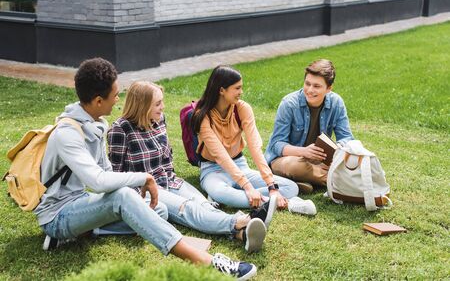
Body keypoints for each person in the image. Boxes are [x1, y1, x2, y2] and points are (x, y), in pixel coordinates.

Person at [35, 58, 257, 280]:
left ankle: (87, 230)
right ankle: (207, 262)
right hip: (58, 215)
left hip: (80, 203)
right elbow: (98, 181)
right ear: (98, 100)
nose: (118, 99)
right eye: (115, 94)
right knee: (123, 197)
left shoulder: (95, 124)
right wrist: (144, 178)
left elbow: (107, 171)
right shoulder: (68, 133)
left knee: (157, 210)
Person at [106, 81, 268, 253]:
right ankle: (240, 221)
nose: (163, 107)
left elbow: (166, 160)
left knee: (204, 205)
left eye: (162, 102)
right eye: (158, 103)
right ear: (142, 105)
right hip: (144, 189)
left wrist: (172, 183)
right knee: (188, 209)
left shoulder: (159, 121)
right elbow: (116, 175)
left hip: (169, 180)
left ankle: (242, 235)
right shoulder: (120, 129)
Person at [191, 65, 316, 216]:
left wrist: (272, 186)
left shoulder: (242, 109)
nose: (241, 92)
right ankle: (287, 203)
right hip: (213, 169)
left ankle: (245, 195)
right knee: (221, 192)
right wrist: (248, 187)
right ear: (221, 90)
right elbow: (220, 155)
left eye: (241, 87)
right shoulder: (202, 116)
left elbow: (255, 147)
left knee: (291, 187)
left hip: (240, 165)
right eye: (237, 88)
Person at [264, 59, 354, 194]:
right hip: (287, 159)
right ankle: (337, 181)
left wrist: (337, 149)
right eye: (307, 84)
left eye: (317, 86)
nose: (310, 90)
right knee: (296, 167)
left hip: (318, 161)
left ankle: (302, 181)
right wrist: (303, 151)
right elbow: (276, 144)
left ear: (329, 88)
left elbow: (347, 137)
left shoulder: (336, 102)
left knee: (349, 159)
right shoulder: (289, 103)